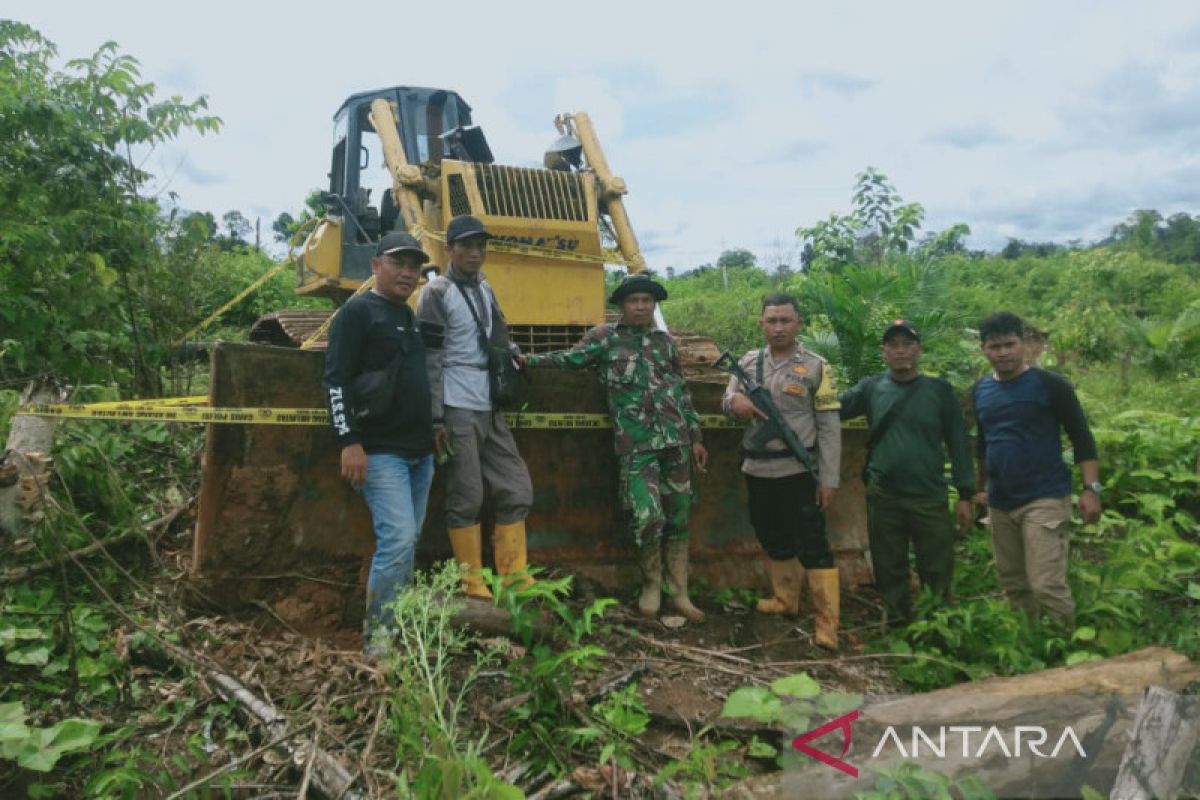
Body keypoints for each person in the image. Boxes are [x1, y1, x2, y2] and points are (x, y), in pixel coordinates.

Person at [526, 273, 709, 621]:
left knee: (680, 516)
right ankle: (651, 586)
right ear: (622, 306)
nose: (641, 306)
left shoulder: (664, 342)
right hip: (637, 447)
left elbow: (681, 391)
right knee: (648, 517)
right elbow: (569, 359)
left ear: (654, 305)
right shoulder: (605, 338)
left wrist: (696, 436)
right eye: (633, 301)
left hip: (677, 445)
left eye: (646, 301)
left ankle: (680, 593)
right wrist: (528, 360)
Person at [323, 232, 435, 639]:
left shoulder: (407, 316)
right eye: (397, 263)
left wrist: (434, 429)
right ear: (375, 266)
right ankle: (381, 640)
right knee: (400, 540)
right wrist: (348, 441)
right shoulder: (357, 314)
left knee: (406, 544)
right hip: (381, 453)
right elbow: (336, 380)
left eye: (413, 265)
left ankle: (398, 625)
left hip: (420, 454)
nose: (407, 273)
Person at [417, 215, 534, 598]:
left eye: (481, 246)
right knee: (467, 494)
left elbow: (498, 334)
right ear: (449, 249)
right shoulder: (436, 293)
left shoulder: (486, 287)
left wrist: (514, 353)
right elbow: (430, 359)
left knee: (517, 487)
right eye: (467, 246)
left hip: (490, 402)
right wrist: (435, 417)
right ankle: (471, 582)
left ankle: (514, 574)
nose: (475, 253)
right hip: (456, 402)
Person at [721, 294, 842, 649]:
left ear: (798, 324)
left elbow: (829, 427)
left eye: (785, 320)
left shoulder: (818, 367)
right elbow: (726, 401)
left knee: (813, 543)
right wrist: (735, 403)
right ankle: (785, 601)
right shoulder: (747, 362)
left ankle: (827, 624)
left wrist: (829, 480)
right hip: (757, 469)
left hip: (799, 471)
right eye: (771, 321)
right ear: (761, 324)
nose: (778, 327)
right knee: (770, 533)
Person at [838, 319, 974, 626]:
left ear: (919, 350)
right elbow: (833, 408)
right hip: (884, 496)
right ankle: (898, 624)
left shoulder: (938, 391)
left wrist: (966, 493)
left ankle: (937, 625)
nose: (901, 352)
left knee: (937, 566)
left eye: (907, 345)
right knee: (889, 566)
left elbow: (958, 443)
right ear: (884, 352)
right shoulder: (872, 389)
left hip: (929, 496)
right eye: (894, 346)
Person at [972, 311, 1101, 627]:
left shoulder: (1050, 385)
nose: (1003, 352)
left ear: (1024, 345)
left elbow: (1082, 437)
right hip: (1000, 501)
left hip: (1044, 496)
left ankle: (1064, 646)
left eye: (1009, 344)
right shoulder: (980, 391)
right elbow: (984, 443)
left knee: (1046, 584)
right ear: (984, 349)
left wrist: (1091, 489)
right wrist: (978, 488)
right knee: (1014, 583)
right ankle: (1030, 644)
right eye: (995, 346)